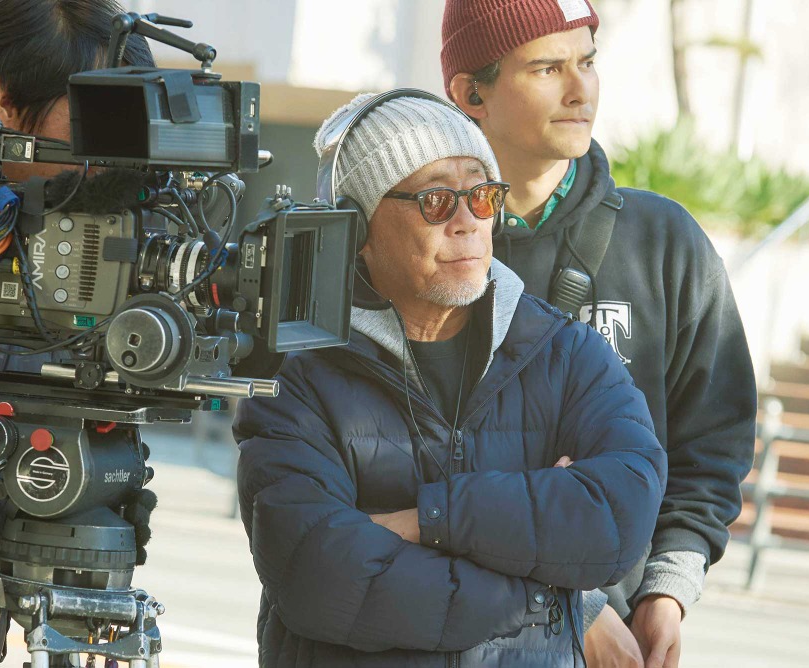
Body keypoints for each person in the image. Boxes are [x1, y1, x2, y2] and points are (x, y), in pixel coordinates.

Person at [235, 90, 668, 668]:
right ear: (358, 231)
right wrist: (548, 593)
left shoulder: (565, 352)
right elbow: (322, 577)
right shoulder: (296, 378)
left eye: (482, 196)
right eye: (437, 201)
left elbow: (624, 511)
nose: (468, 223)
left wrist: (427, 521)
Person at [440, 1, 758, 666]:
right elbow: (395, 471)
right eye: (547, 68)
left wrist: (667, 589)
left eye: (587, 61)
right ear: (471, 94)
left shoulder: (665, 242)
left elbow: (712, 441)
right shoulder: (425, 245)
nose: (580, 89)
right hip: (439, 628)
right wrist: (571, 605)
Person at [0, 1, 153, 663]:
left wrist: (91, 491)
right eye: (95, 126)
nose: (110, 166)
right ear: (6, 105)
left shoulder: (83, 246)